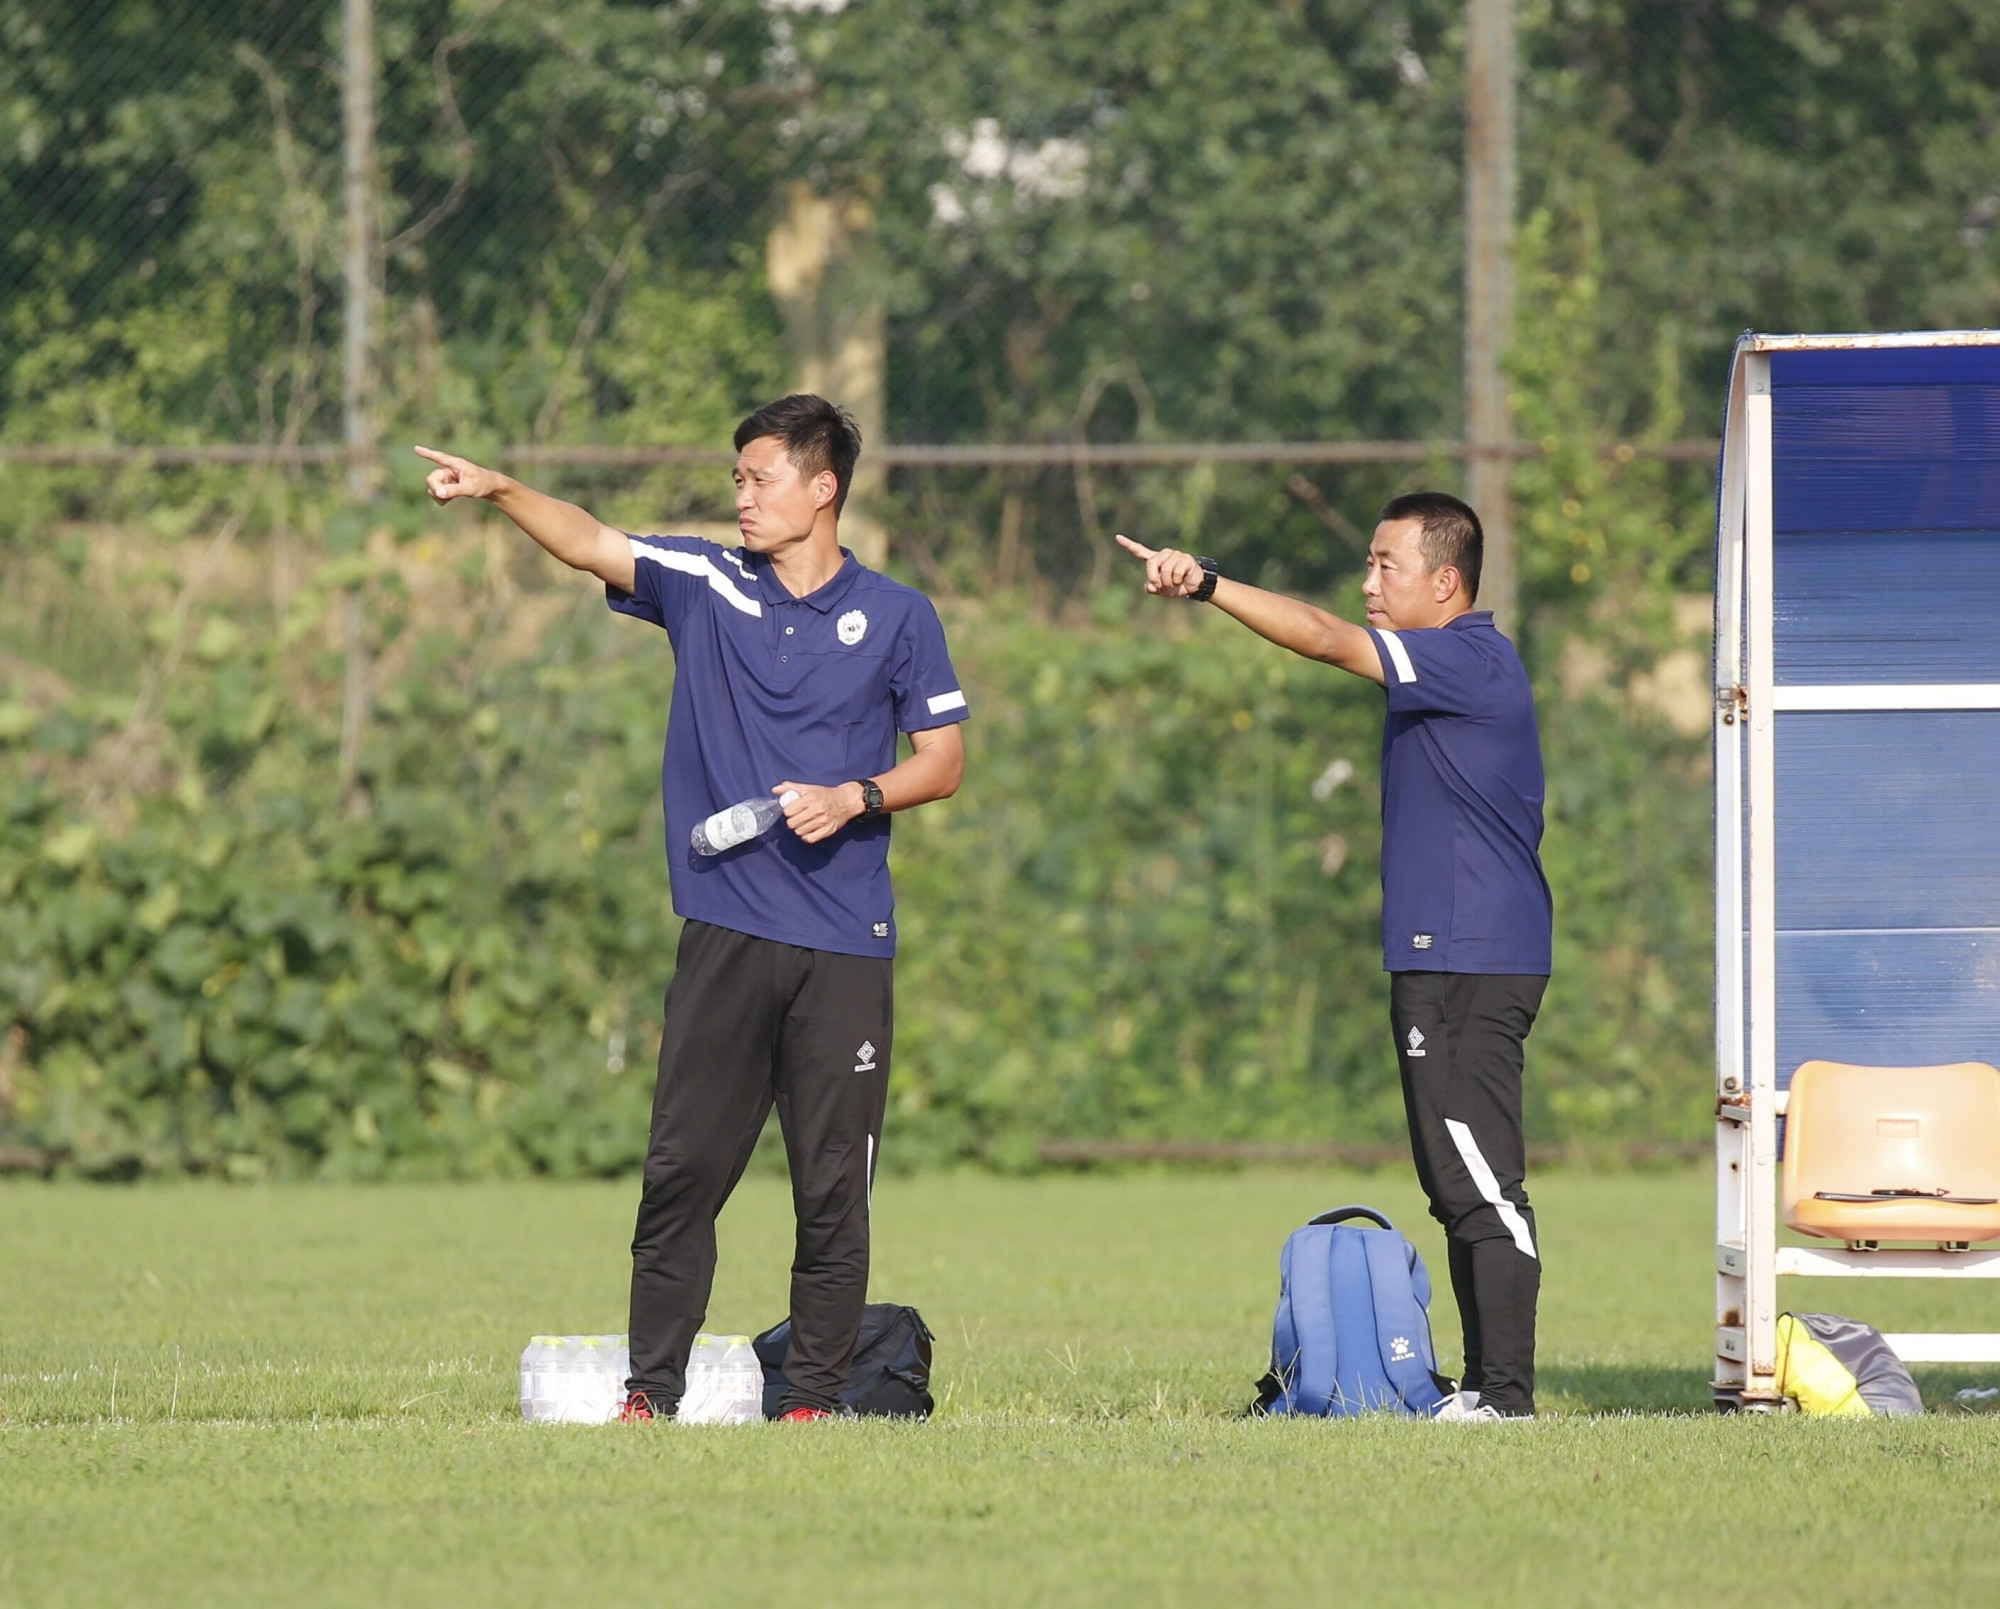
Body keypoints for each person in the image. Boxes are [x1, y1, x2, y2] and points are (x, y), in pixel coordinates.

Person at [415, 394, 969, 1423]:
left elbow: (943, 761)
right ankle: (648, 1394)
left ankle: (810, 1401)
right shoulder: (710, 583)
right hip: (724, 935)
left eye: (760, 479)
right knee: (680, 1176)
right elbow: (587, 540)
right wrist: (497, 490)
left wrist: (857, 795)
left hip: (846, 948)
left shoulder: (898, 615)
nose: (742, 497)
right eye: (736, 479)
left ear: (822, 488)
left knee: (832, 1194)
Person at [1117, 493, 1552, 1421]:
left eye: (1385, 565)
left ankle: (1506, 1398)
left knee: (1484, 1183)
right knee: (1452, 1182)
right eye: (1367, 562)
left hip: (1476, 956)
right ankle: (1480, 1391)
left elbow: (1320, 637)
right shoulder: (1442, 668)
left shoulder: (1471, 658)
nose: (1367, 583)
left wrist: (1208, 584)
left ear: (1446, 581)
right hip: (1438, 958)